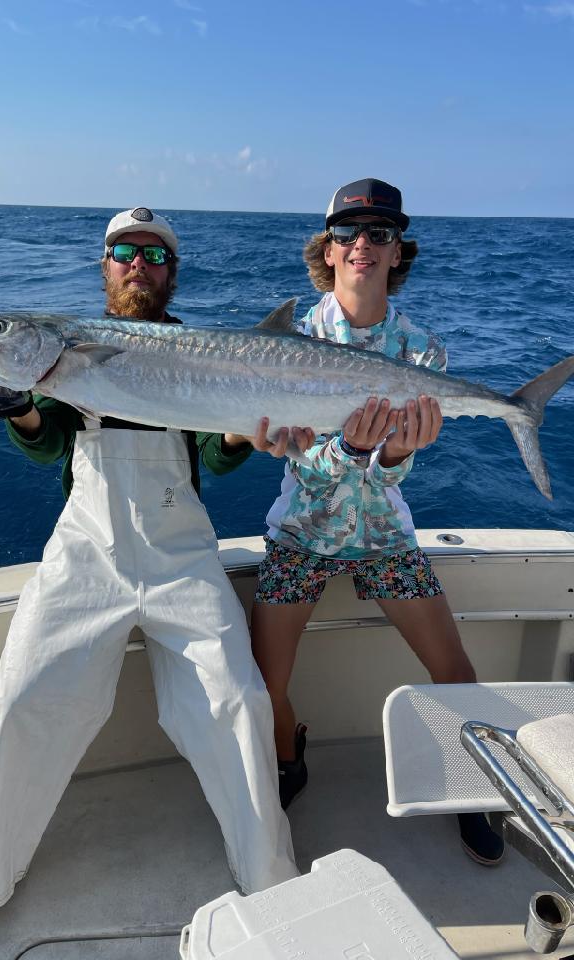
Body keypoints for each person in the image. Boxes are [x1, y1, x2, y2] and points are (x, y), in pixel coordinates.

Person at [0, 207, 302, 954]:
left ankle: (274, 889)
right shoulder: (71, 349)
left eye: (154, 255)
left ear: (171, 273)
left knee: (239, 700)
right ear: (105, 266)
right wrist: (20, 409)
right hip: (85, 554)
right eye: (124, 251)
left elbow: (219, 454)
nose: (139, 263)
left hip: (182, 555)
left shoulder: (201, 351)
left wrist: (243, 429)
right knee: (21, 695)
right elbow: (48, 448)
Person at [249, 179, 505, 867]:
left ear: (398, 253)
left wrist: (389, 451)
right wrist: (352, 448)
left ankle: (477, 784)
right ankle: (287, 757)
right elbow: (303, 466)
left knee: (452, 664)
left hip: (383, 533)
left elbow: (395, 474)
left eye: (380, 232)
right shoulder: (286, 342)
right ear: (327, 251)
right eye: (347, 232)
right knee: (264, 681)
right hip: (303, 530)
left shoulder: (422, 351)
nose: (362, 242)